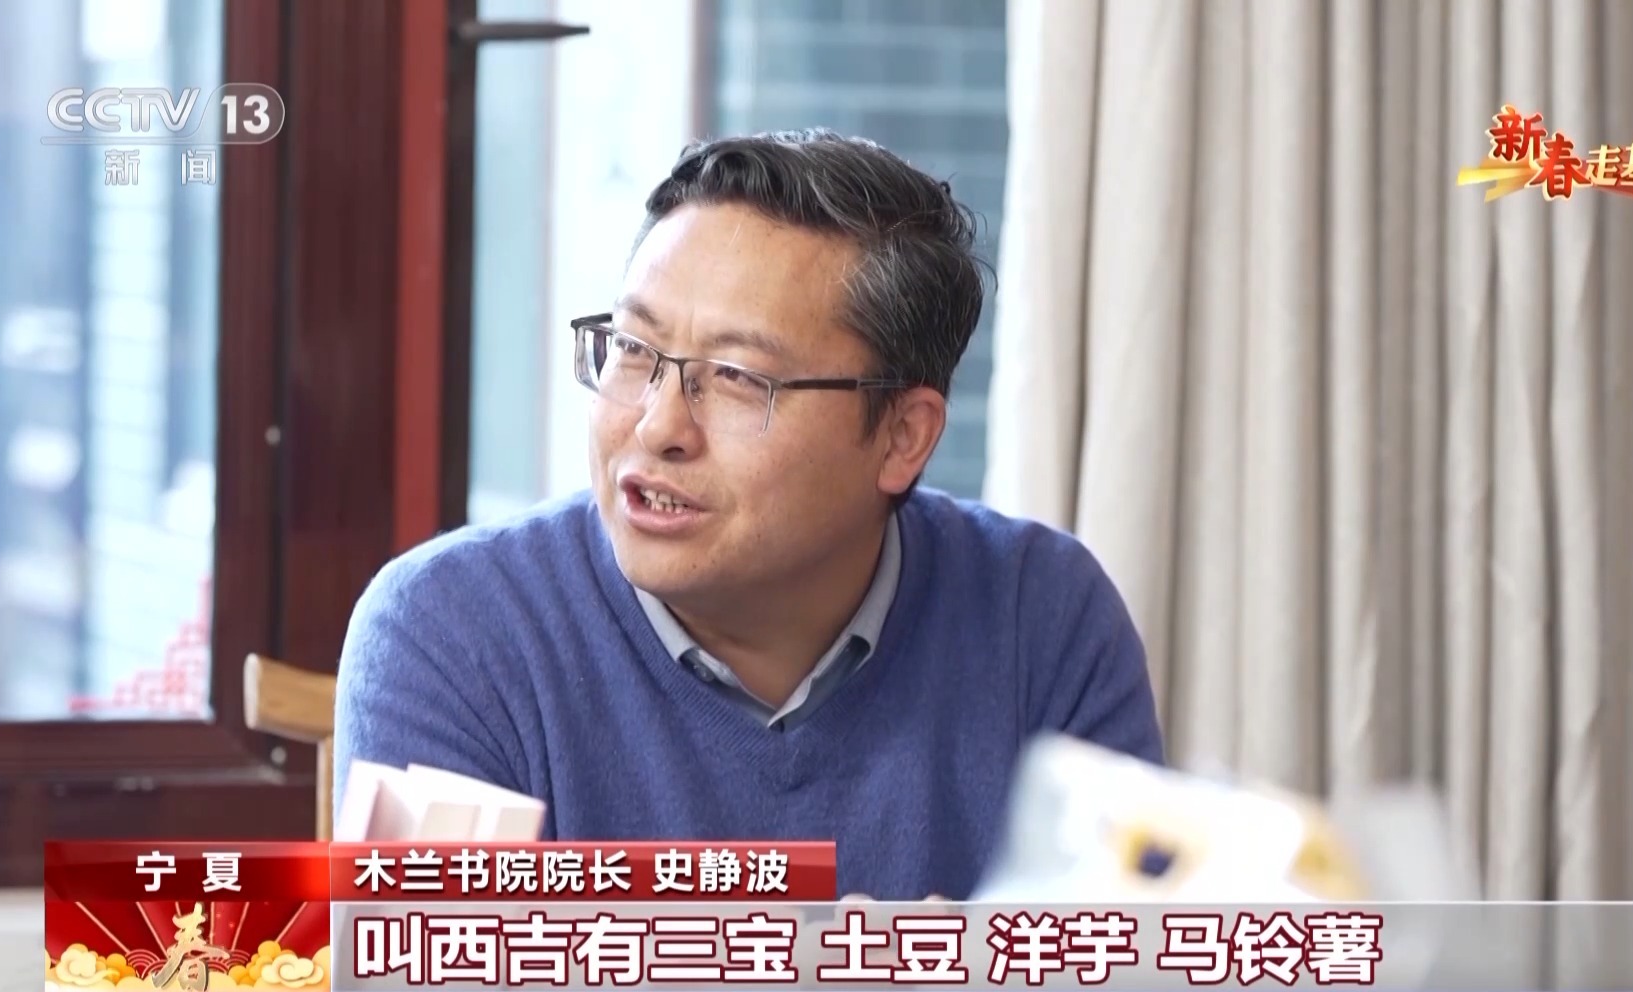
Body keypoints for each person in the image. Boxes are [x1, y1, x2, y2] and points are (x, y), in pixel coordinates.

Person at [334, 128, 1163, 900]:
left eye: (736, 378)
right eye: (634, 350)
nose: (657, 427)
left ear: (902, 437)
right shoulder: (453, 631)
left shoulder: (1039, 619)